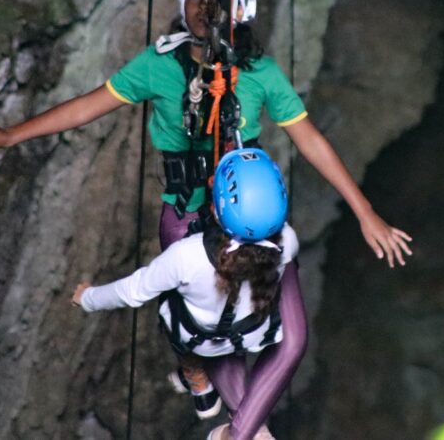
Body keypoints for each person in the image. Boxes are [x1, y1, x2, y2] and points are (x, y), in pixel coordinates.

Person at [0, 0, 413, 438]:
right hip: (188, 214)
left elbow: (310, 140)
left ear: (240, 7)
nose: (206, 5)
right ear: (181, 2)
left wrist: (365, 212)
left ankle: (234, 428)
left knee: (293, 338)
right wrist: (9, 135)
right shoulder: (158, 66)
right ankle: (228, 413)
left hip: (251, 216)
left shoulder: (258, 72)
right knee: (212, 338)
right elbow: (86, 107)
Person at [73, 147, 295, 440]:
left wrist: (87, 298)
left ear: (215, 210)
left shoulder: (186, 257)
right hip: (255, 335)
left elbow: (132, 292)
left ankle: (196, 376)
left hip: (201, 342)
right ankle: (204, 388)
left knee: (172, 301)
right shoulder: (287, 241)